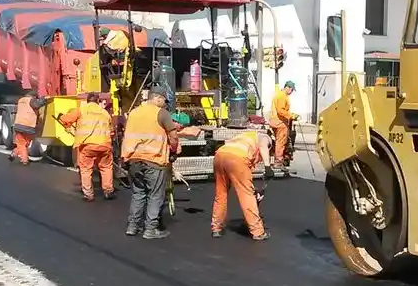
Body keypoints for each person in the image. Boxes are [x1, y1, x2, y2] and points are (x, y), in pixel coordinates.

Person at [120, 87, 202, 239]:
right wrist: (173, 151)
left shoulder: (134, 112)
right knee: (155, 195)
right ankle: (151, 230)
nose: (165, 104)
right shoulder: (161, 113)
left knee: (138, 193)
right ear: (157, 98)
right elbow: (173, 137)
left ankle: (132, 226)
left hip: (133, 159)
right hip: (153, 159)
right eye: (164, 100)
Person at [211, 129, 273, 241]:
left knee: (221, 193)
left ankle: (216, 228)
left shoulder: (245, 137)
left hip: (219, 156)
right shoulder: (264, 137)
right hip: (237, 159)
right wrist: (268, 167)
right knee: (246, 196)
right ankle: (257, 232)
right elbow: (264, 146)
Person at [58, 92, 116, 202]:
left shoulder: (82, 110)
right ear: (98, 102)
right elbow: (111, 132)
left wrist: (61, 116)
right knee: (106, 167)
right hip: (104, 145)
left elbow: (66, 120)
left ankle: (89, 194)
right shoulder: (105, 113)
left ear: (87, 101)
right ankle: (108, 191)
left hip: (87, 145)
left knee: (86, 169)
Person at [10, 90, 47, 165]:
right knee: (24, 144)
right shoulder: (31, 100)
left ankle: (15, 153)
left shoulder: (20, 100)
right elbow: (37, 104)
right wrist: (44, 99)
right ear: (34, 97)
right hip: (29, 126)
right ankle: (24, 159)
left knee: (22, 144)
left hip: (18, 125)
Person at [268, 81, 298, 172]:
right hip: (280, 122)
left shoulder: (279, 95)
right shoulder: (282, 96)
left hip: (275, 121)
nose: (291, 92)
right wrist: (291, 115)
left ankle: (277, 160)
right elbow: (281, 110)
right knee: (281, 142)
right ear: (287, 88)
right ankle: (278, 162)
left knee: (278, 142)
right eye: (292, 90)